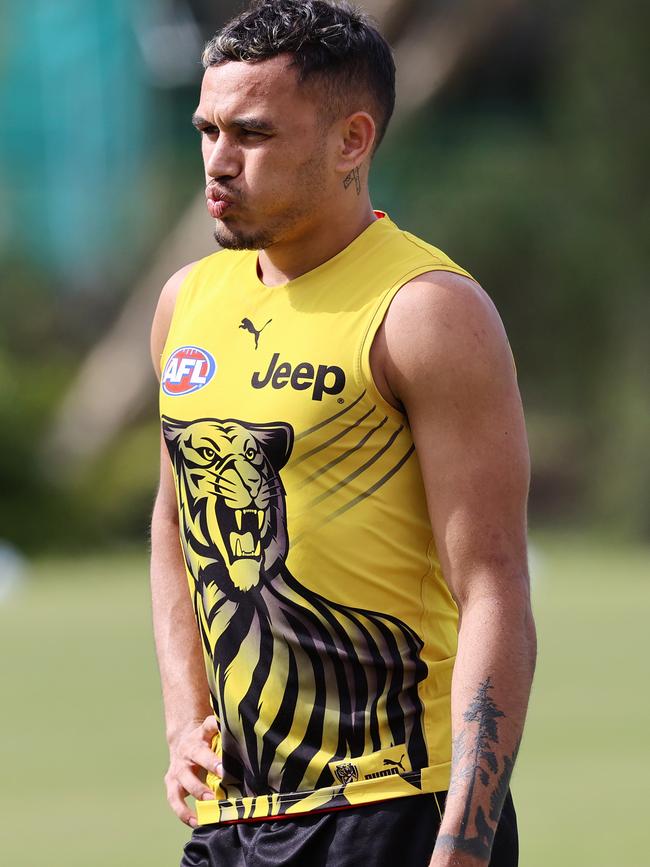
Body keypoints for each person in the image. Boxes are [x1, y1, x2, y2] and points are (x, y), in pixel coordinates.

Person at [149, 2, 536, 865]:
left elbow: (495, 586)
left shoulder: (429, 311)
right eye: (207, 128)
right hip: (233, 811)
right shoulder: (186, 302)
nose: (218, 160)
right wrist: (185, 717)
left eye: (251, 133)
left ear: (351, 141)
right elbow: (175, 520)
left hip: (394, 807)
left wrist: (465, 841)